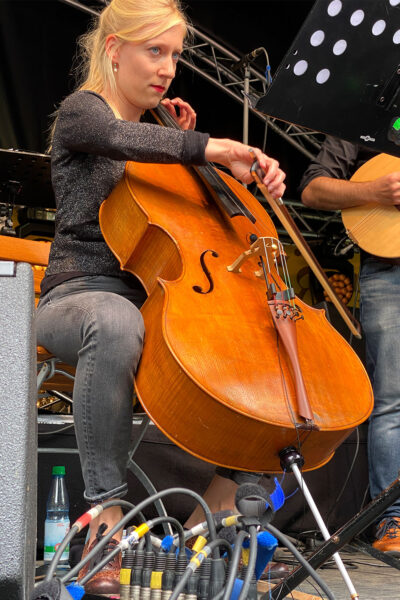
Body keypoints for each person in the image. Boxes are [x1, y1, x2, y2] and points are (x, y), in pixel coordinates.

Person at [35, 0, 286, 593]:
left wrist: (241, 174)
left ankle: (214, 526)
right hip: (81, 296)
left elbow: (197, 233)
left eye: (175, 55)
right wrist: (206, 146)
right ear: (115, 49)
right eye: (155, 51)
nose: (168, 67)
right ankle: (106, 525)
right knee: (116, 321)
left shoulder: (164, 132)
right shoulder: (84, 112)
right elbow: (111, 136)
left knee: (268, 353)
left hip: (161, 302)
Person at [300, 135, 400, 555]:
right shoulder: (369, 122)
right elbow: (312, 188)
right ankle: (392, 518)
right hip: (388, 269)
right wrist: (373, 192)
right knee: (393, 401)